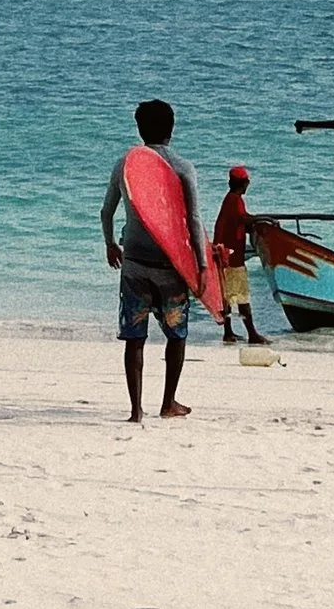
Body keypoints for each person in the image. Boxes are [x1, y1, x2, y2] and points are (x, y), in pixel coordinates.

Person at [102, 96, 207, 423]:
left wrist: (110, 244)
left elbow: (106, 211)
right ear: (171, 131)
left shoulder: (126, 164)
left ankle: (136, 411)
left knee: (135, 337)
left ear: (140, 128)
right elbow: (193, 220)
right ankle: (168, 403)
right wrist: (202, 265)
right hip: (170, 267)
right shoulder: (183, 167)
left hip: (133, 263)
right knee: (176, 335)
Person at [212, 164, 263, 345]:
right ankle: (253, 334)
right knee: (241, 297)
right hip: (232, 259)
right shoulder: (235, 200)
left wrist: (256, 218)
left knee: (227, 296)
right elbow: (244, 218)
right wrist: (262, 220)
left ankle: (229, 332)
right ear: (244, 183)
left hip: (225, 256)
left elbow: (242, 217)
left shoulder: (230, 199)